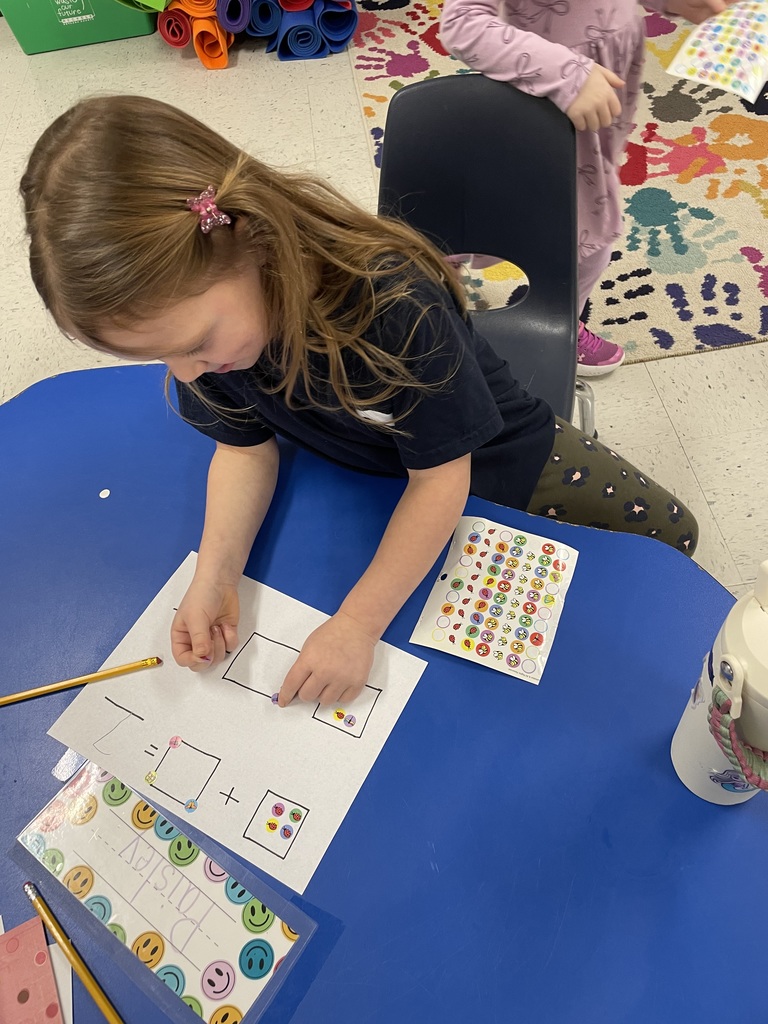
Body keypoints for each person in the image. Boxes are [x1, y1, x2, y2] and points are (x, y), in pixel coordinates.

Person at [20, 95, 698, 707]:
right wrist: (214, 576)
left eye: (195, 342)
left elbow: (441, 481)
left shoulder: (391, 303)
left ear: (250, 241)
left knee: (671, 539)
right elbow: (244, 448)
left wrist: (356, 625)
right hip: (376, 479)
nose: (186, 372)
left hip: (502, 458)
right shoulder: (215, 341)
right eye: (157, 356)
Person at [440, 0, 733, 376]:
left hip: (599, 98)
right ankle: (419, 316)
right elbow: (462, 24)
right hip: (540, 98)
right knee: (466, 222)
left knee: (588, 229)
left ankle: (560, 318)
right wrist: (566, 75)